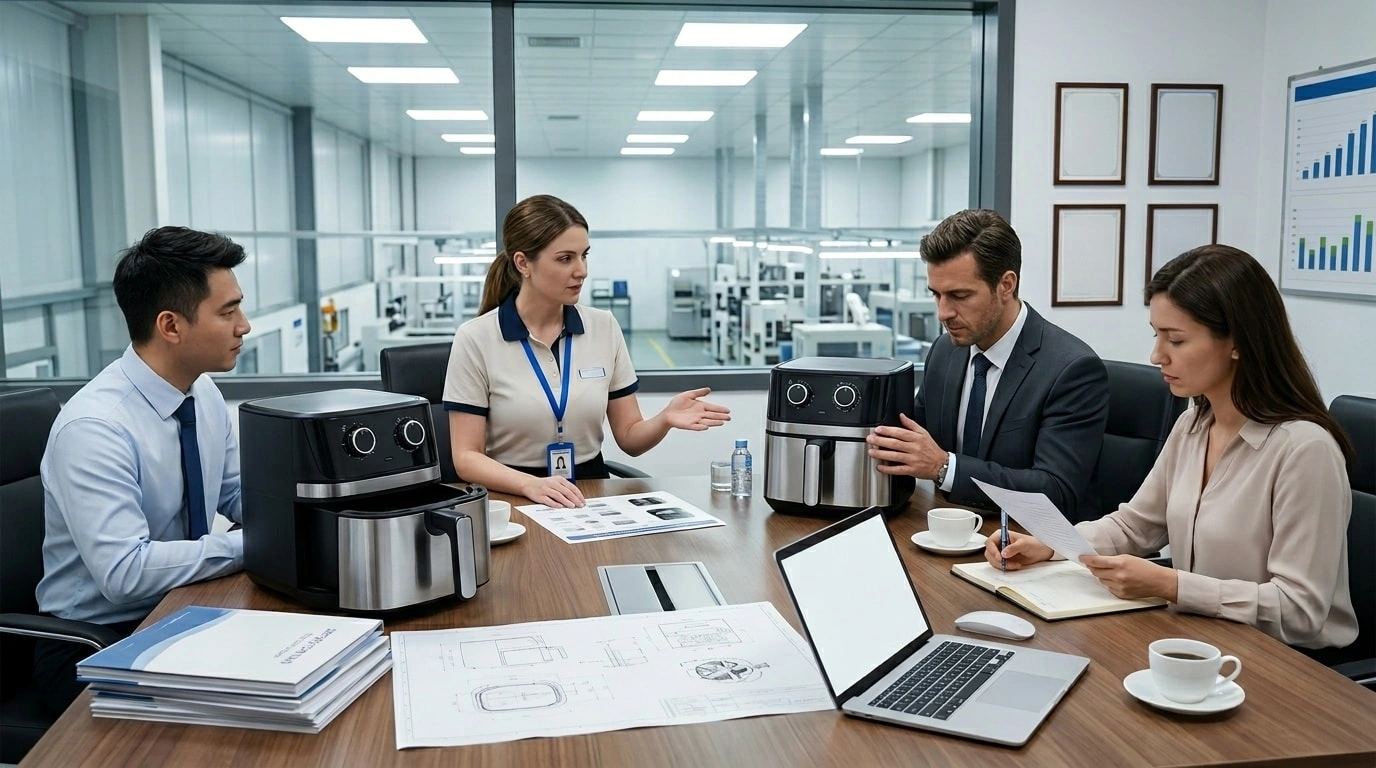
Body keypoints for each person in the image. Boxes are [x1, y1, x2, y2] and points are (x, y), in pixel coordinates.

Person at [989, 244, 1356, 649]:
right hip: (1201, 639)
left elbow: (1300, 610)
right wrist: (1051, 544)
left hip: (1286, 664)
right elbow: (1135, 526)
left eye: (1176, 340)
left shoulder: (1305, 450)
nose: (1156, 355)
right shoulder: (1193, 425)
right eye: (1156, 335)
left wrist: (1173, 585)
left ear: (1237, 342)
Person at [33, 226, 252, 714]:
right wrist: (257, 544)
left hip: (180, 610)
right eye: (228, 311)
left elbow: (236, 493)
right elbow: (125, 573)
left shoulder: (201, 392)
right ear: (171, 326)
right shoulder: (95, 428)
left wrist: (312, 517)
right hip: (94, 642)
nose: (245, 326)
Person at [444, 194, 730, 508]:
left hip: (590, 494)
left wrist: (665, 419)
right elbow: (466, 457)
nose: (581, 270)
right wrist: (530, 485)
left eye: (584, 255)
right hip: (512, 494)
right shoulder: (476, 338)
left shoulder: (603, 327)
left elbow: (630, 437)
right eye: (565, 259)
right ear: (523, 263)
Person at [866, 209, 1110, 522]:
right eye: (936, 295)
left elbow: (1056, 491)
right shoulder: (944, 351)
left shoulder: (1071, 370)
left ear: (1006, 285)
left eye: (959, 295)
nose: (943, 313)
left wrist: (943, 467)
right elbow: (914, 443)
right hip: (950, 528)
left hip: (1027, 539)